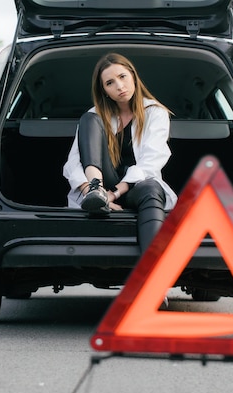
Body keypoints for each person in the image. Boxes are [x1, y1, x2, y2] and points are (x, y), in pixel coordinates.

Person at [63, 53, 177, 253]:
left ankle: (153, 265)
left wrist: (114, 194)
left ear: (133, 76)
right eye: (110, 82)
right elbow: (73, 163)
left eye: (123, 77)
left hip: (135, 187)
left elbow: (151, 161)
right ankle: (95, 190)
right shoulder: (94, 116)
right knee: (89, 118)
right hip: (100, 186)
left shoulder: (155, 112)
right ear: (104, 90)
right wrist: (91, 193)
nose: (119, 86)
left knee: (151, 187)